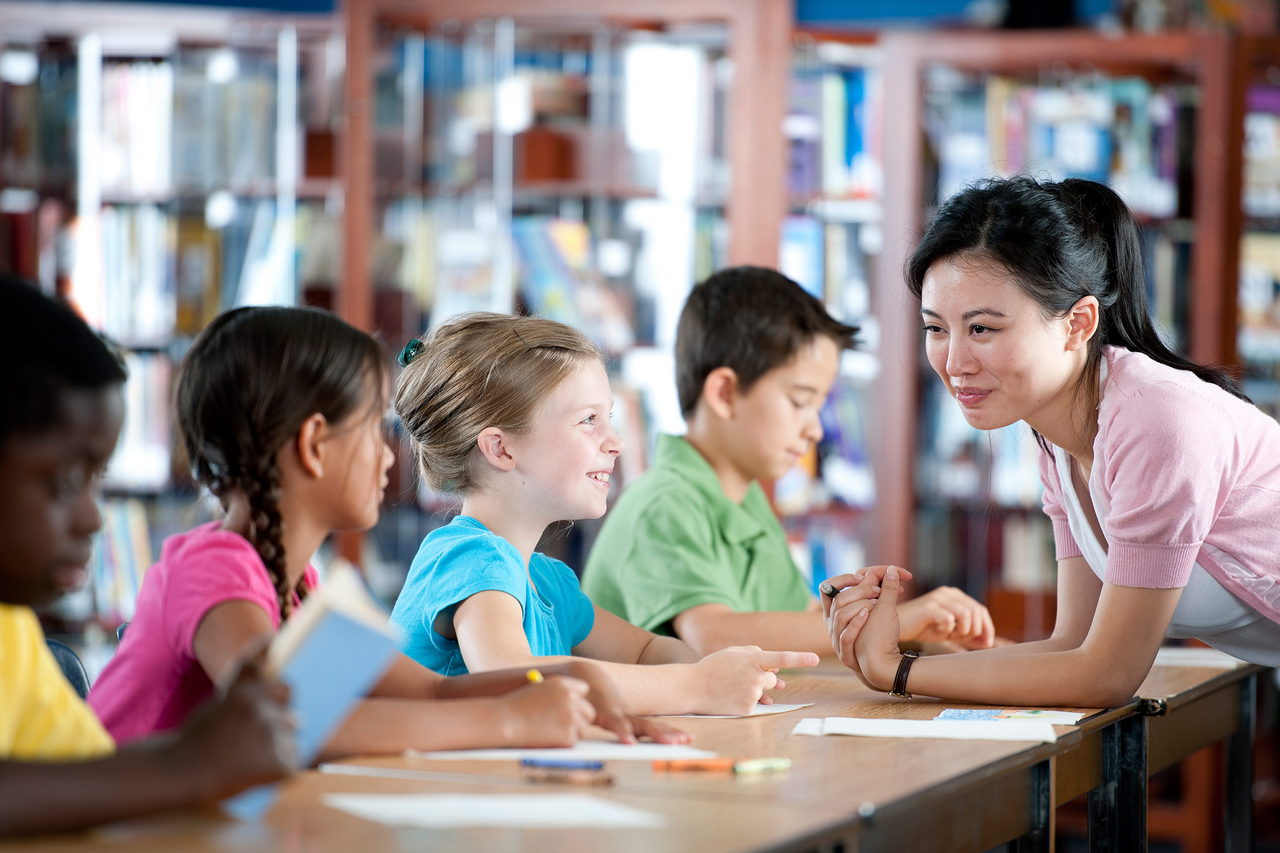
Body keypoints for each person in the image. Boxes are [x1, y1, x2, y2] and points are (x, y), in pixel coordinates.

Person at [89, 306, 681, 754]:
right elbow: (286, 722)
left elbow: (427, 690)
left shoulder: (301, 586)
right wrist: (508, 718)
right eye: (374, 429)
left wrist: (570, 685)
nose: (390, 456)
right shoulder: (213, 568)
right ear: (314, 445)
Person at [825, 176, 1280, 708]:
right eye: (936, 328)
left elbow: (1106, 676)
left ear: (1077, 323)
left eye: (982, 329)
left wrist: (897, 671)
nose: (954, 364)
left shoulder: (1156, 420)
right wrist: (893, 661)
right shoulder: (1060, 436)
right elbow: (1072, 646)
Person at [390, 313, 818, 716]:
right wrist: (695, 687)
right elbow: (516, 681)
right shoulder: (470, 559)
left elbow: (647, 650)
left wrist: (707, 672)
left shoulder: (547, 583)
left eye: (608, 418)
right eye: (589, 420)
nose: (616, 442)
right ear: (501, 448)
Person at [0, 276, 295, 836]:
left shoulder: (9, 627)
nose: (93, 518)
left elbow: (79, 779)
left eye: (97, 481)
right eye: (65, 481)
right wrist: (188, 762)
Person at [580, 266, 995, 657]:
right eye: (799, 402)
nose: (814, 430)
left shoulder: (745, 501)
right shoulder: (664, 502)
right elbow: (714, 635)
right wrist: (903, 619)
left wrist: (918, 638)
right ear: (724, 393)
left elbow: (801, 626)